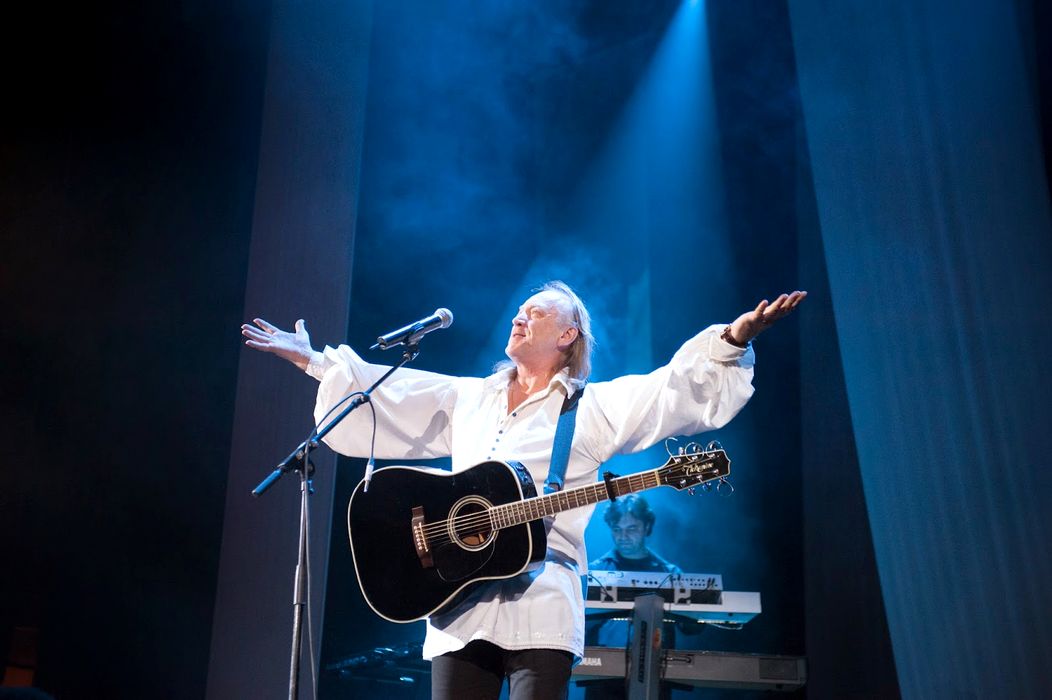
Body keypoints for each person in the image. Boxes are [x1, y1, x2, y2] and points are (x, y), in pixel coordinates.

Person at [241, 281, 805, 700]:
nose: (519, 316)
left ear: (567, 335)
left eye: (535, 312)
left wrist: (732, 339)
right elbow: (390, 395)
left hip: (543, 600)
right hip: (458, 601)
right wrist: (312, 360)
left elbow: (666, 392)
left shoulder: (590, 407)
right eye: (518, 310)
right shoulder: (471, 398)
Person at [589, 494, 681, 574]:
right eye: (617, 529)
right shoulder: (594, 571)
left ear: (647, 527)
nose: (623, 536)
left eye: (631, 529)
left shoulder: (672, 574)